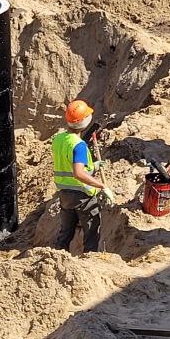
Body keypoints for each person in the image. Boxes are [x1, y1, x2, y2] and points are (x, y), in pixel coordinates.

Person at [50, 99, 114, 253]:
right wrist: (102, 186)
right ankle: (88, 261)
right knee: (92, 232)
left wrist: (92, 167)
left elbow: (66, 163)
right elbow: (78, 173)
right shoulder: (79, 145)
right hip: (83, 197)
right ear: (85, 121)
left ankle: (57, 256)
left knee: (65, 233)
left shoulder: (58, 139)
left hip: (64, 195)